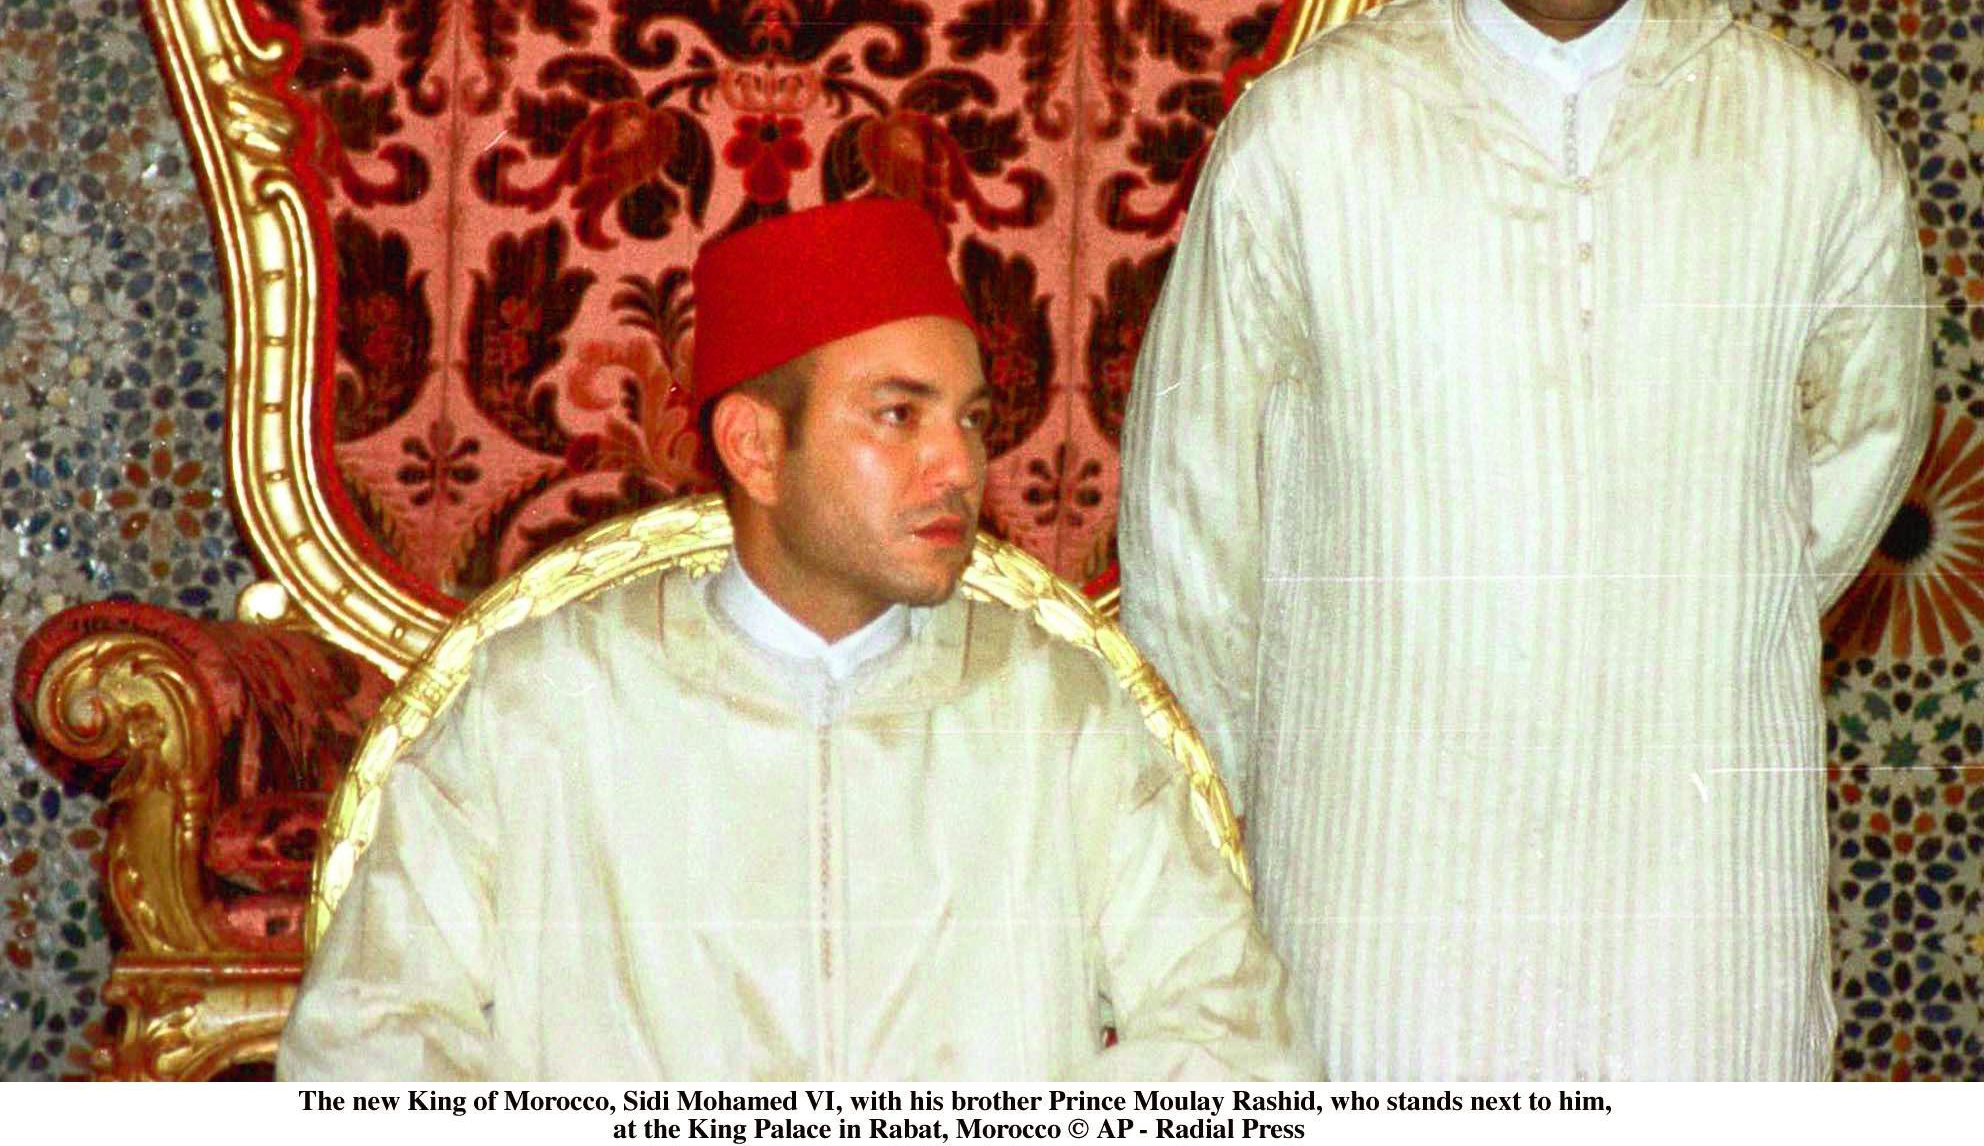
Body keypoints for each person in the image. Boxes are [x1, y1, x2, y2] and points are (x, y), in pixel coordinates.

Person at [1117, 0, 1930, 1081]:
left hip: (1696, 892)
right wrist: (1237, 822)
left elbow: (1865, 442)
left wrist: (1681, 609)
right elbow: (1192, 524)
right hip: (1381, 884)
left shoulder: (1807, 136)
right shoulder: (1307, 137)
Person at [280, 198, 1314, 1080]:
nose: (959, 465)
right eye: (899, 416)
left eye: (971, 419)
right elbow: (368, 1039)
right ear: (756, 448)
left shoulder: (1053, 711)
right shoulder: (550, 703)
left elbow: (1234, 1041)